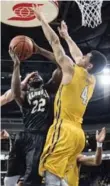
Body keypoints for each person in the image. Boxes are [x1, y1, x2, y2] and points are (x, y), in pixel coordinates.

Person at [32, 5, 107, 186]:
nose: (82, 56)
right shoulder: (90, 79)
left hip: (64, 128)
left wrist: (42, 20)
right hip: (78, 135)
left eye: (87, 56)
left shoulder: (71, 70)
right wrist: (67, 36)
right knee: (59, 177)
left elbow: (55, 44)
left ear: (88, 65)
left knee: (50, 172)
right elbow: (77, 54)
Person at [4, 44, 62, 186]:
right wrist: (16, 65)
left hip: (40, 136)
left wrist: (40, 50)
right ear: (27, 84)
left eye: (37, 75)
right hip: (24, 135)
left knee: (32, 177)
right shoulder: (23, 95)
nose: (34, 75)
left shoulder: (50, 88)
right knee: (10, 175)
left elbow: (61, 64)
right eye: (30, 77)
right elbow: (15, 91)